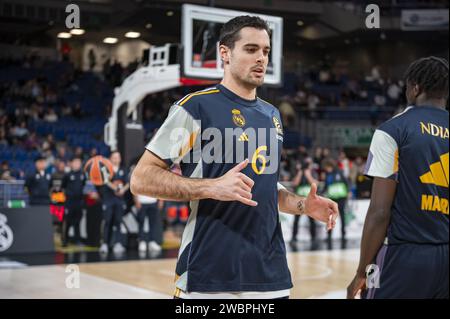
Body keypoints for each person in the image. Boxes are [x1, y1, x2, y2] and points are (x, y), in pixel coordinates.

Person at [131, 16, 339, 299]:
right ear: (225, 53)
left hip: (270, 275)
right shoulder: (196, 107)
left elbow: (264, 190)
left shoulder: (272, 116)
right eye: (251, 49)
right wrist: (211, 187)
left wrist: (303, 205)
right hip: (208, 274)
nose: (261, 59)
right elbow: (141, 179)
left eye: (265, 51)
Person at [347, 56, 449, 299]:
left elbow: (380, 213)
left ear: (415, 88)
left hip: (404, 258)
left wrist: (363, 272)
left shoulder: (393, 129)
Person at [290, 159, 319, 248]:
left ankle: (313, 237)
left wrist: (308, 174)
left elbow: (315, 184)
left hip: (309, 201)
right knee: (296, 220)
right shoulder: (298, 173)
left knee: (312, 220)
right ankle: (294, 237)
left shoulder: (312, 173)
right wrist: (300, 173)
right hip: (299, 201)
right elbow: (295, 183)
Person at [322, 158, 351, 245]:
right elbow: (326, 186)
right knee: (330, 217)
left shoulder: (340, 172)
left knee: (342, 216)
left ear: (329, 166)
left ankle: (343, 235)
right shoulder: (328, 175)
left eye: (326, 167)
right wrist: (321, 194)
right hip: (332, 199)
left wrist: (349, 191)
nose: (326, 169)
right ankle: (329, 236)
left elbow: (347, 182)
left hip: (342, 198)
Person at [61, 157, 86, 246]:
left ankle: (77, 240)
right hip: (69, 202)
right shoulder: (67, 175)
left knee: (77, 221)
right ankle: (65, 240)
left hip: (79, 201)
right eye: (75, 162)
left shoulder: (82, 175)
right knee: (67, 220)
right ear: (71, 163)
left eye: (79, 162)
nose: (77, 164)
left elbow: (83, 185)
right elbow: (63, 186)